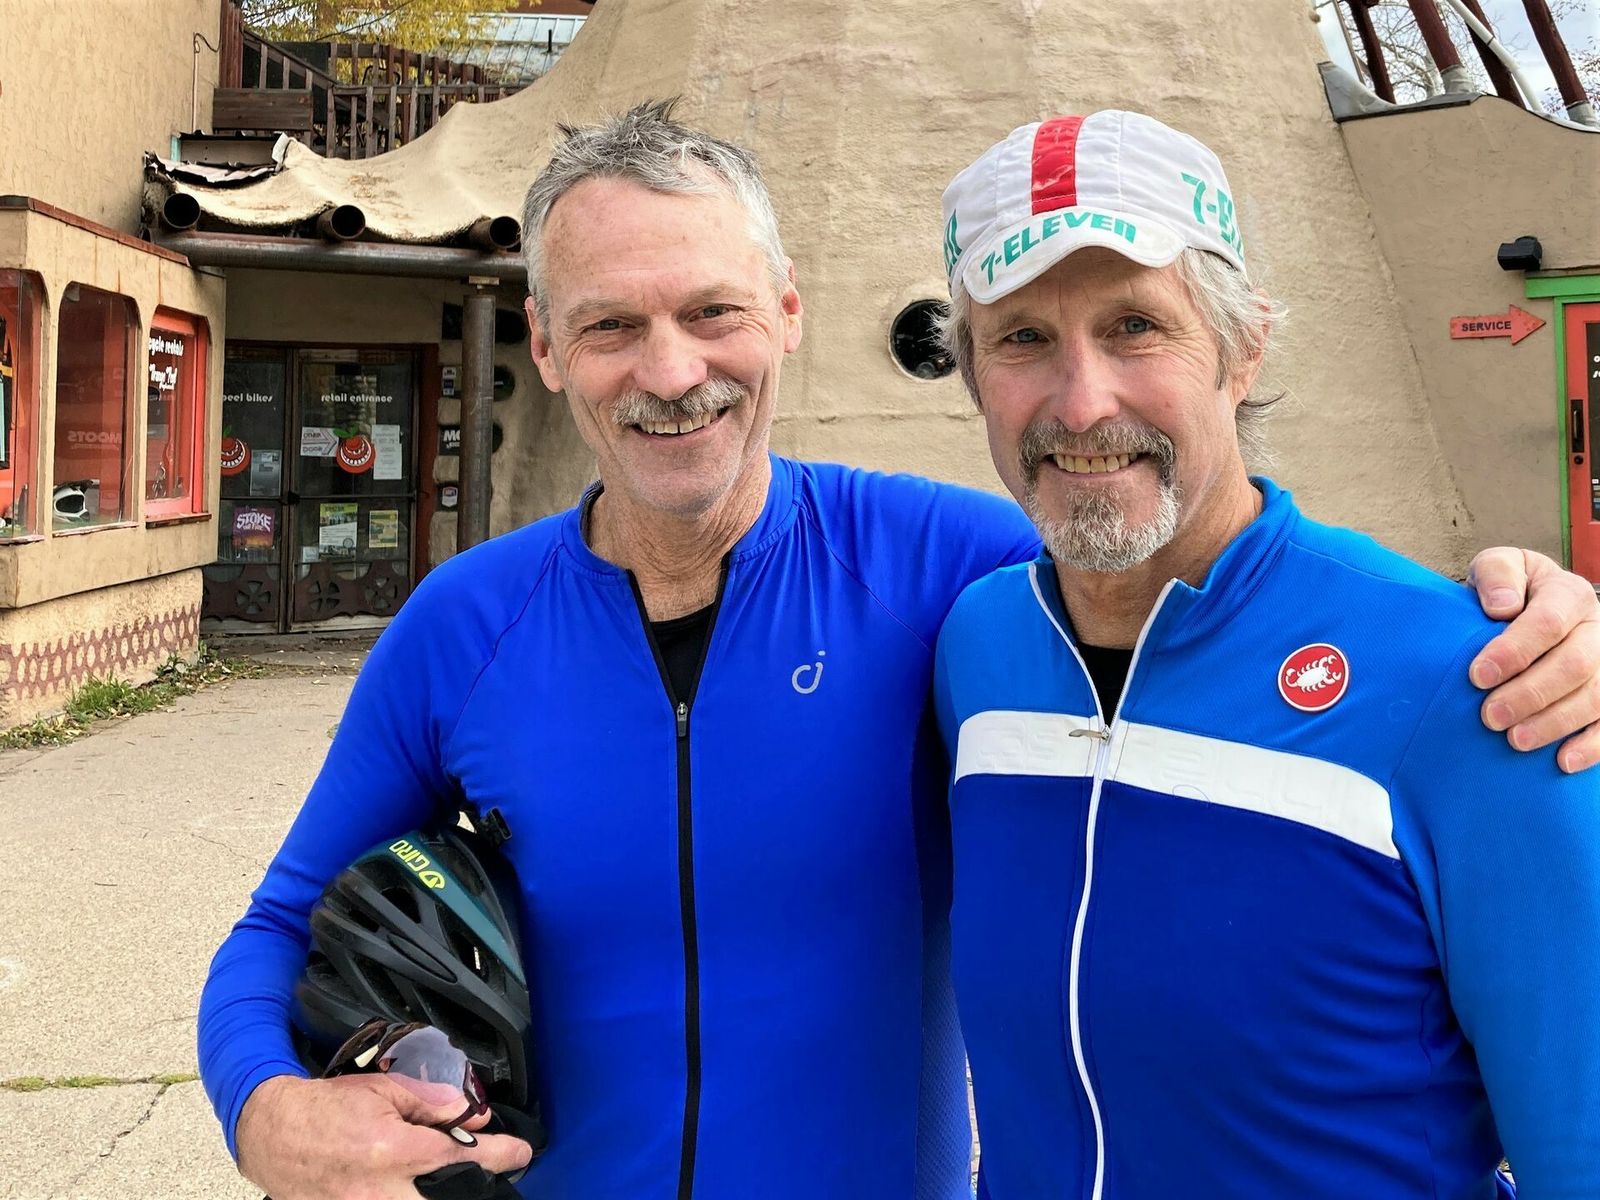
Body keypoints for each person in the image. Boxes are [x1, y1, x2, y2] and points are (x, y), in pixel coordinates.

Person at [199, 101, 1600, 1200]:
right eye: (612, 325)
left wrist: (1534, 624)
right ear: (549, 349)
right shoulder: (467, 623)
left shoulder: (948, 575)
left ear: (787, 314)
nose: (671, 372)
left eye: (712, 311)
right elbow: (279, 924)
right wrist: (265, 1109)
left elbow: (1191, 554)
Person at [932, 109, 1600, 1199]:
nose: (1082, 402)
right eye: (1022, 339)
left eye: (1136, 326)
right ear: (971, 375)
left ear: (1241, 351)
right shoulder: (975, 646)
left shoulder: (1475, 678)